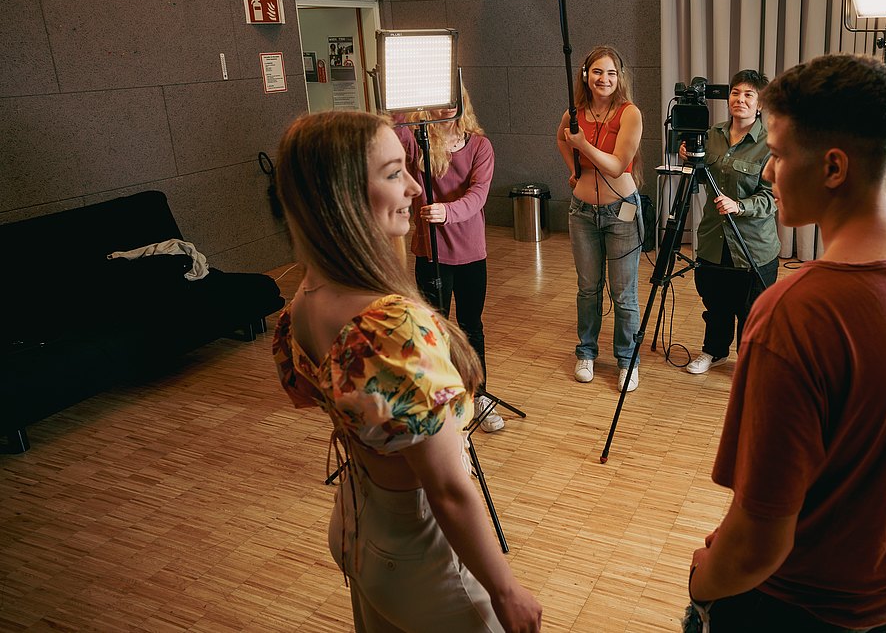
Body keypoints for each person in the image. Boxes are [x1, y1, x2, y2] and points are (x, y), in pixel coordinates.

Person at [686, 55, 886, 632]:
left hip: (794, 607)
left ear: (833, 167)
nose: (770, 173)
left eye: (779, 155)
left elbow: (758, 541)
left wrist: (701, 585)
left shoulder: (791, 317)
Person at [271, 110, 542, 633]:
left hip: (360, 525)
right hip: (424, 557)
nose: (416, 188)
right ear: (344, 195)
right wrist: (506, 590)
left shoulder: (306, 296)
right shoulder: (389, 327)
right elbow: (448, 490)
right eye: (395, 173)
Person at [402, 88, 503, 433]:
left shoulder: (480, 146)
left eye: (452, 98)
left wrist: (447, 211)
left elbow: (478, 195)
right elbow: (389, 136)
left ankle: (479, 395)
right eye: (440, 97)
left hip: (471, 252)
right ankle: (442, 402)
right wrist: (403, 104)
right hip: (431, 252)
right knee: (436, 331)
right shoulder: (417, 142)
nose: (447, 106)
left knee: (471, 326)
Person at [557, 45, 644, 392]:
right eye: (597, 72)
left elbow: (618, 165)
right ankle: (586, 353)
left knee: (624, 293)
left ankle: (627, 360)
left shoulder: (629, 113)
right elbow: (560, 139)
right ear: (585, 75)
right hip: (582, 212)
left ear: (619, 77)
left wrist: (582, 147)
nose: (604, 79)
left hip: (622, 211)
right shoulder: (574, 113)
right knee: (588, 288)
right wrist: (574, 170)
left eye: (610, 73)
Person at [681, 69, 779, 375]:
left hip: (753, 245)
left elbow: (772, 197)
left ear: (760, 104)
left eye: (749, 94)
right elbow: (703, 178)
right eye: (735, 93)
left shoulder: (771, 144)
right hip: (714, 237)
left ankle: (750, 362)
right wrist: (690, 157)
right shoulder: (712, 135)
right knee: (715, 302)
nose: (740, 99)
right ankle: (714, 352)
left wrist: (740, 206)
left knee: (752, 310)